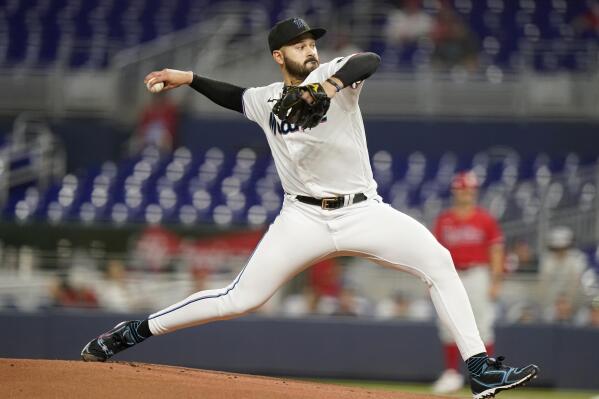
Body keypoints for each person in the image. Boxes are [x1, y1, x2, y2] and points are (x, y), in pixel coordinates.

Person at [81, 17, 538, 398]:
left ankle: (477, 368)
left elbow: (369, 60)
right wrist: (190, 78)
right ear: (279, 56)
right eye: (298, 45)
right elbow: (233, 96)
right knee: (241, 298)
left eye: (311, 42)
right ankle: (134, 332)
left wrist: (331, 86)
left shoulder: (335, 75)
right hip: (301, 218)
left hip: (363, 211)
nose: (309, 49)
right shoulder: (266, 100)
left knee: (439, 261)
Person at [431, 171, 504, 394]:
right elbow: (435, 252)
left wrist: (495, 280)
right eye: (463, 189)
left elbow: (496, 250)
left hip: (477, 273)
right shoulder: (444, 219)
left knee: (482, 324)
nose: (467, 193)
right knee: (447, 323)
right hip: (452, 275)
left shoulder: (485, 218)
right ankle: (452, 373)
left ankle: (486, 375)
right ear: (455, 191)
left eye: (470, 189)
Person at [537, 226, 588, 320]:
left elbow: (576, 283)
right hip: (552, 304)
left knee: (582, 317)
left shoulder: (577, 258)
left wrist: (568, 304)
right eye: (557, 248)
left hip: (575, 303)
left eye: (563, 247)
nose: (560, 250)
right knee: (547, 316)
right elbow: (544, 286)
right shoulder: (547, 260)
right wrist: (556, 305)